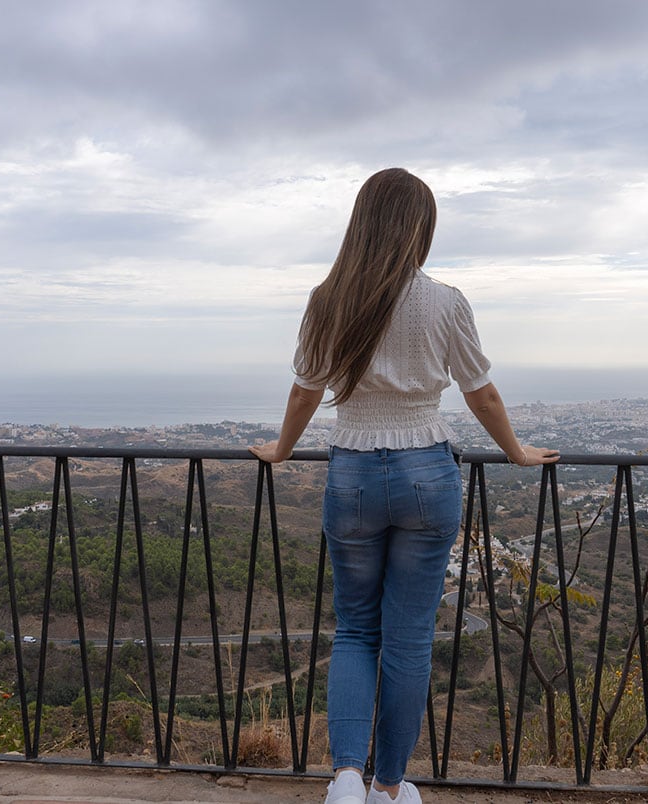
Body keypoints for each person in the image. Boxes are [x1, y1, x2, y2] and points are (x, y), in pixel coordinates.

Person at [250, 168, 558, 804]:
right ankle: (390, 787)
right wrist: (518, 453)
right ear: (421, 228)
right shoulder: (445, 301)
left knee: (357, 630)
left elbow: (307, 387)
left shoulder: (326, 298)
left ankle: (343, 778)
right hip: (425, 473)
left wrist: (281, 450)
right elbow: (482, 392)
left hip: (354, 473)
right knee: (410, 638)